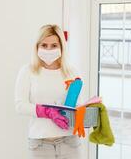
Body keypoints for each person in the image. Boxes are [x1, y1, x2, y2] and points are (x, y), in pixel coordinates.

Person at [14, 24, 84, 159]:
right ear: (37, 47)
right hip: (40, 144)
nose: (49, 49)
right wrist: (47, 112)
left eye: (54, 45)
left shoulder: (72, 72)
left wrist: (84, 114)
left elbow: (77, 105)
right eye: (44, 45)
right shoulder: (28, 71)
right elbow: (20, 105)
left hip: (70, 142)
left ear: (62, 47)